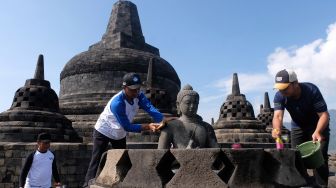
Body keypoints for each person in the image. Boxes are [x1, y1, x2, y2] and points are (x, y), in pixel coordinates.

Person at [84, 72, 170, 187]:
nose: (136, 92)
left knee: (123, 160)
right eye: (133, 89)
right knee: (97, 159)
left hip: (119, 133)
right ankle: (87, 184)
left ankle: (121, 182)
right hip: (104, 130)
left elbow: (149, 108)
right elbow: (127, 126)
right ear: (124, 88)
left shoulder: (139, 95)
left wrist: (162, 119)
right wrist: (148, 127)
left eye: (138, 89)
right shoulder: (117, 103)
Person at [272, 69, 330, 187]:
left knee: (320, 159)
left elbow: (324, 115)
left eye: (285, 88)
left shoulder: (311, 90)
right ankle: (302, 184)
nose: (282, 91)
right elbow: (277, 116)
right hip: (298, 126)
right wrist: (276, 129)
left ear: (295, 83)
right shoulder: (279, 96)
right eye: (279, 88)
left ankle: (321, 186)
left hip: (318, 125)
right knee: (295, 158)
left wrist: (318, 132)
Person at [158, 84, 218, 149]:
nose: (192, 106)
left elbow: (216, 152)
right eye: (188, 103)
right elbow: (161, 154)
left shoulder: (207, 127)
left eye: (195, 103)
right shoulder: (169, 127)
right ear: (178, 104)